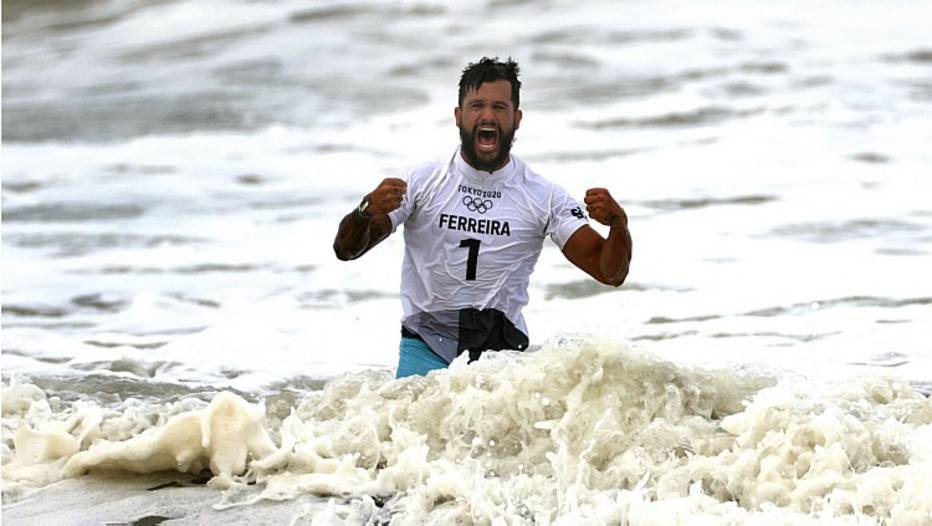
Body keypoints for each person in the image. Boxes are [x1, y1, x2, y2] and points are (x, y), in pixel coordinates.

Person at [333, 57, 632, 378]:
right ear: (459, 116)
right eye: (476, 106)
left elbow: (609, 272)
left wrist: (618, 225)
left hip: (500, 356)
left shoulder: (544, 197)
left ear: (516, 119)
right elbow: (347, 250)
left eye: (499, 107)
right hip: (426, 347)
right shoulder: (419, 182)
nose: (487, 115)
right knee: (409, 427)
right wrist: (365, 212)